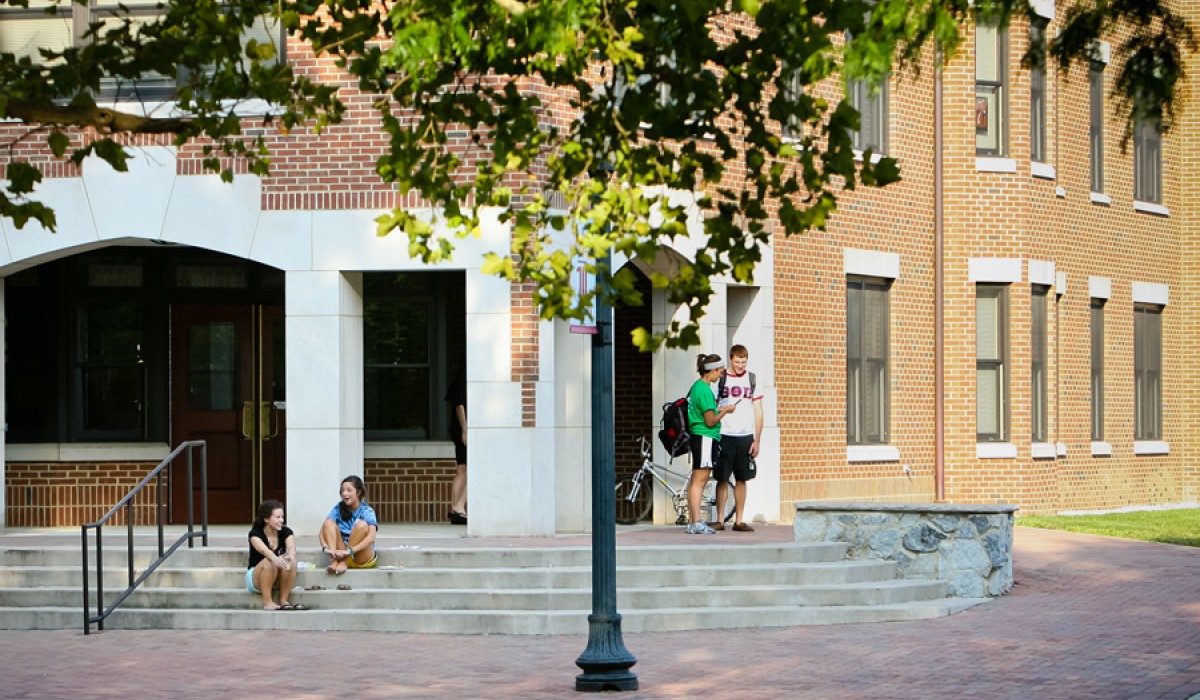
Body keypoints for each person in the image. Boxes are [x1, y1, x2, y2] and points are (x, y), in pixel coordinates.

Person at [713, 344, 764, 532]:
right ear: (730, 360)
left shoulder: (752, 379)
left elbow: (758, 410)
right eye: (737, 362)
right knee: (722, 478)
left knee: (742, 478)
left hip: (745, 436)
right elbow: (713, 405)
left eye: (743, 362)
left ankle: (739, 520)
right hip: (725, 434)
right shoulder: (722, 379)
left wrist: (756, 439)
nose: (740, 365)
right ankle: (720, 519)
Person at [685, 353, 738, 535]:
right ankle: (696, 522)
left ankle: (693, 521)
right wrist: (726, 411)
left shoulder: (696, 387)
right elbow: (710, 421)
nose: (721, 375)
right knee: (700, 480)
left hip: (699, 436)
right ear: (712, 371)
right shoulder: (705, 390)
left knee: (696, 480)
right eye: (720, 371)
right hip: (705, 436)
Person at [247, 499, 305, 610]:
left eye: (282, 517)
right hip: (256, 576)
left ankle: (283, 600)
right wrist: (274, 558)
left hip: (277, 575)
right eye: (277, 517)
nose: (281, 520)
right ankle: (268, 602)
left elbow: (291, 547)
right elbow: (264, 550)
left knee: (290, 562)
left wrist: (291, 556)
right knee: (269, 561)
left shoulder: (286, 531)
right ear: (266, 519)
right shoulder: (255, 533)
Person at [318, 475, 379, 574]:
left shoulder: (367, 511)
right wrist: (326, 548)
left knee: (362, 525)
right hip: (341, 552)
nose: (344, 493)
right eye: (342, 490)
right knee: (328, 522)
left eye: (349, 490)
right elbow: (323, 531)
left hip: (360, 555)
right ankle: (334, 560)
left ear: (358, 492)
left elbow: (371, 537)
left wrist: (350, 551)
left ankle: (345, 562)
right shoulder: (338, 508)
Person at [445, 366, 468, 525]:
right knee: (475, 469)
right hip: (465, 428)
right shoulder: (465, 378)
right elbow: (460, 405)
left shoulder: (459, 377)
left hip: (458, 428)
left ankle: (456, 510)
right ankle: (460, 506)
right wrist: (465, 430)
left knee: (462, 468)